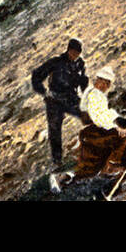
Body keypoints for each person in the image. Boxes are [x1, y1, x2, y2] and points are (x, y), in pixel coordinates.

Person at [31, 38, 89, 187]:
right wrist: (44, 93)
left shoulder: (80, 64)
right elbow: (36, 76)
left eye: (77, 53)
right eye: (73, 52)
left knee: (87, 116)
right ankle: (58, 163)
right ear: (68, 50)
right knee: (55, 130)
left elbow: (83, 81)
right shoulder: (56, 62)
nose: (75, 55)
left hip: (71, 98)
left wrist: (85, 92)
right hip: (54, 100)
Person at [77, 66, 126, 177]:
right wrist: (115, 127)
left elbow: (105, 112)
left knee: (123, 132)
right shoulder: (94, 94)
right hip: (93, 130)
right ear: (101, 81)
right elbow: (98, 117)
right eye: (107, 83)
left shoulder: (96, 94)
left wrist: (117, 118)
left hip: (94, 128)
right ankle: (113, 165)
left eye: (108, 84)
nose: (107, 87)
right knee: (122, 136)